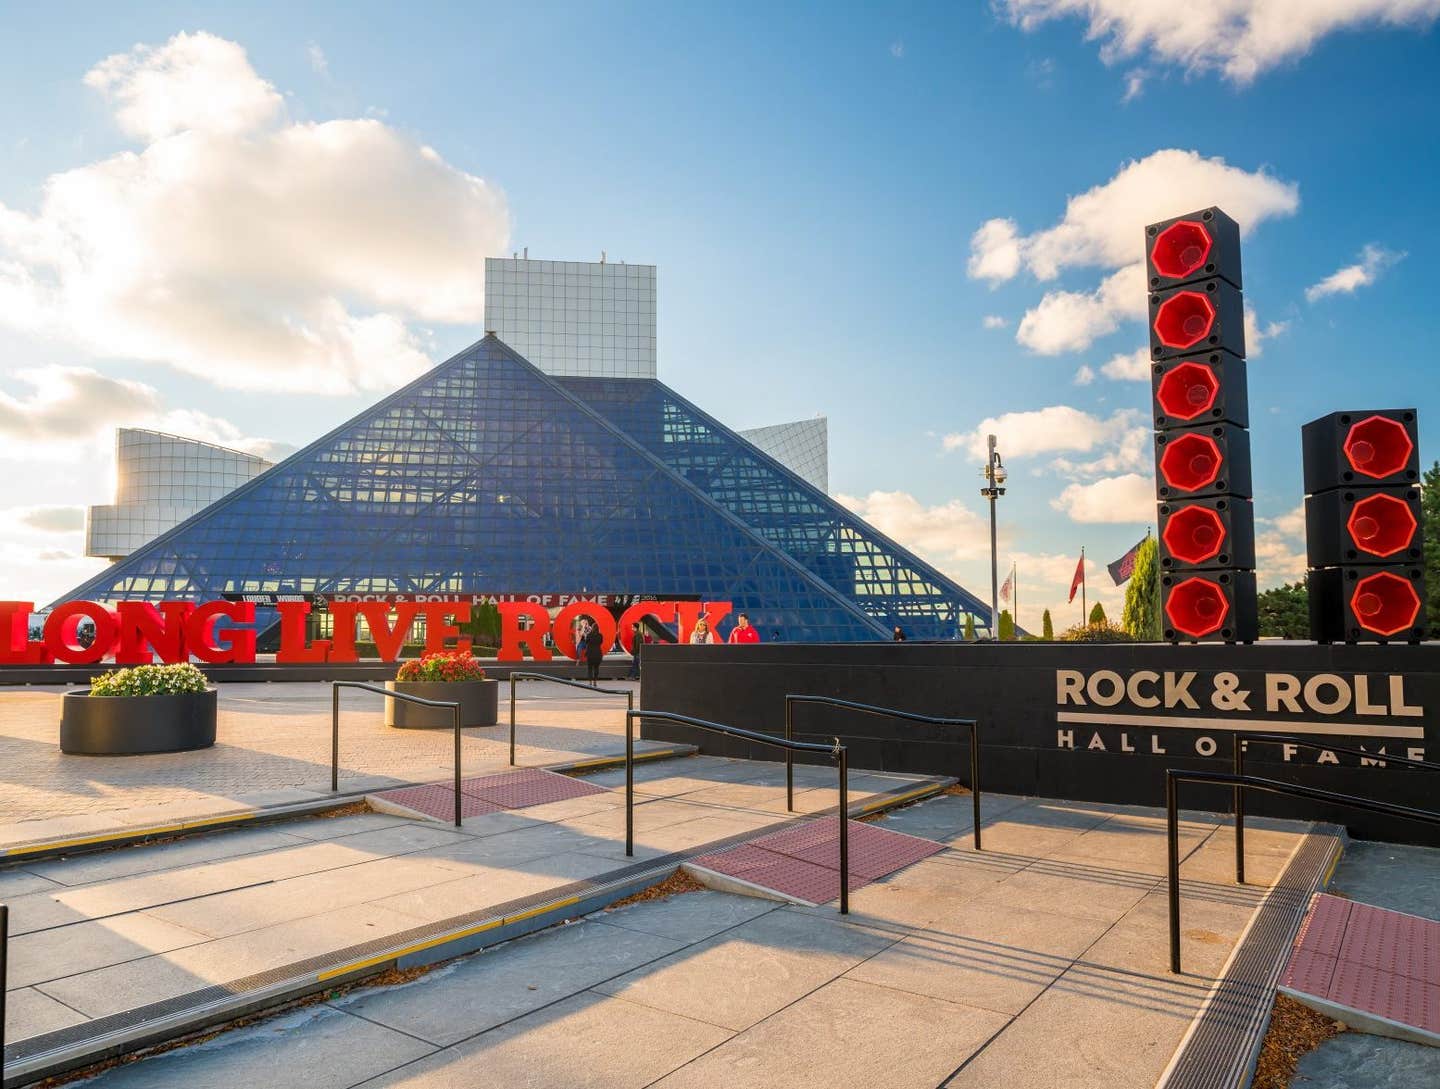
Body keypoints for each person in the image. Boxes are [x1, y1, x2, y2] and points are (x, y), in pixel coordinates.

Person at [582, 619, 605, 684]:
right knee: (596, 668)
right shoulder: (600, 635)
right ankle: (595, 681)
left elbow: (586, 642)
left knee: (589, 668)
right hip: (598, 653)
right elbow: (601, 642)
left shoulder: (589, 635)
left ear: (592, 628)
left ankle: (590, 682)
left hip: (590, 654)